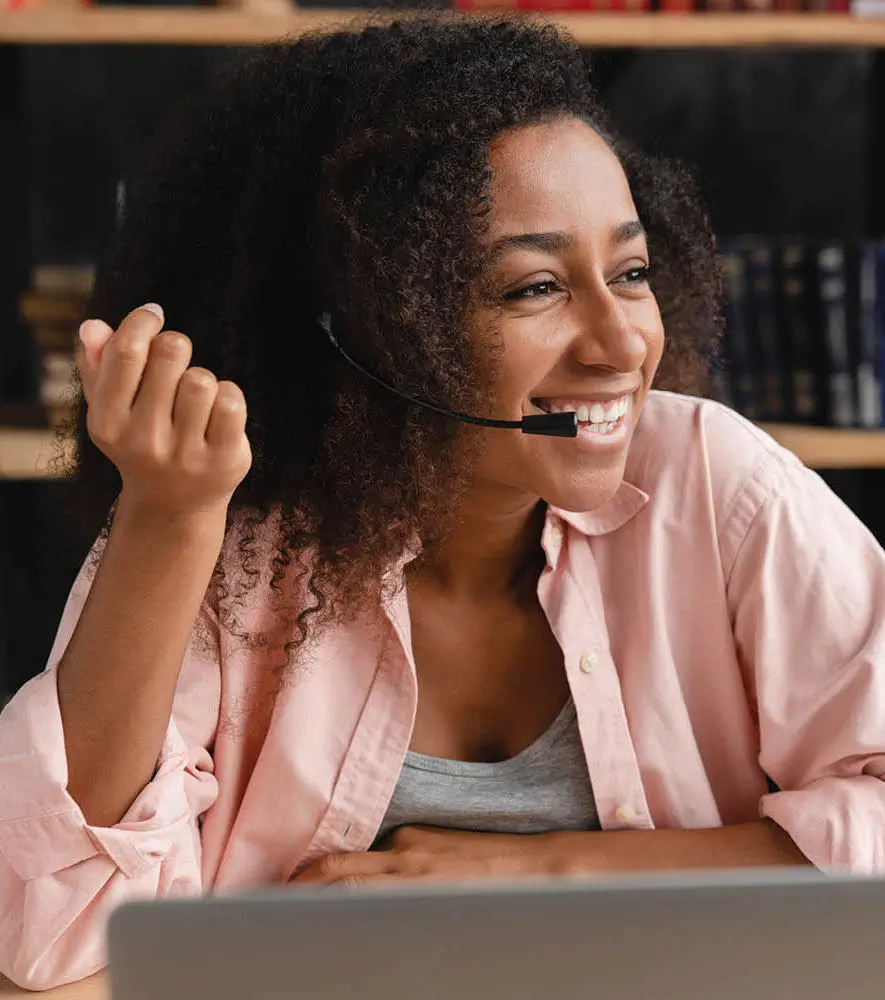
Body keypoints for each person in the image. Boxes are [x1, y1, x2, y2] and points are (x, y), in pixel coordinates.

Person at [1, 14, 883, 991]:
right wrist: (167, 524)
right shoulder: (226, 535)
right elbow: (52, 940)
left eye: (629, 272)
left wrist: (541, 872)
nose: (623, 344)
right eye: (535, 287)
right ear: (370, 327)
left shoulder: (714, 485)